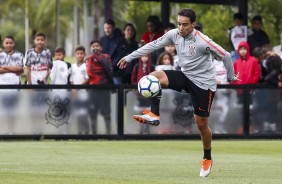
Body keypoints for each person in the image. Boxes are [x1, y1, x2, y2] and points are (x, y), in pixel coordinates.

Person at [118, 8, 239, 177]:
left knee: (201, 124)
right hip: (185, 76)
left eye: (185, 25)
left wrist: (231, 76)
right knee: (154, 76)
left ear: (193, 24)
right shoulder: (174, 34)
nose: (181, 28)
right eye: (179, 24)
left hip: (204, 84)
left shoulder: (203, 41)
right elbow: (152, 45)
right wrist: (129, 57)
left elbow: (226, 55)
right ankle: (154, 113)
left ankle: (207, 158)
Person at [86, 40, 113, 134]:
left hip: (105, 88)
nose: (95, 48)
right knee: (92, 111)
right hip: (93, 89)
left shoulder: (106, 57)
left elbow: (109, 69)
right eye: (93, 46)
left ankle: (108, 133)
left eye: (97, 46)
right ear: (90, 49)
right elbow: (90, 72)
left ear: (101, 48)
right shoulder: (89, 58)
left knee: (106, 112)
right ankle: (94, 133)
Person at [0, 35, 24, 133]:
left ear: (14, 44)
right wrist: (12, 68)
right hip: (2, 88)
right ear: (3, 44)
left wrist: (4, 67)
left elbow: (20, 69)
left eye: (10, 43)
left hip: (15, 87)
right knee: (3, 111)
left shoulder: (19, 55)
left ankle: (11, 131)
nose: (8, 45)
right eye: (6, 43)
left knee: (13, 110)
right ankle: (4, 131)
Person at [131, 54, 155, 134]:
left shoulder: (151, 66)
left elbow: (154, 78)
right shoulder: (137, 66)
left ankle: (147, 130)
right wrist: (136, 88)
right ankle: (141, 129)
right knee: (141, 111)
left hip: (149, 93)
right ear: (140, 57)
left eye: (146, 56)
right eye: (143, 56)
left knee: (148, 111)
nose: (144, 58)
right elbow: (133, 78)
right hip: (140, 93)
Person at [70, 46, 89, 134]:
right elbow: (71, 80)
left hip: (83, 93)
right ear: (75, 55)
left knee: (84, 113)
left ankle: (86, 132)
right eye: (78, 54)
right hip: (75, 93)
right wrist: (74, 89)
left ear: (84, 55)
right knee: (77, 113)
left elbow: (87, 79)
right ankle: (79, 132)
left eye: (81, 54)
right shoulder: (72, 66)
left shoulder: (86, 66)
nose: (80, 55)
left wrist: (79, 87)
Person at [99, 19, 123, 85]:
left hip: (116, 72)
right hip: (104, 72)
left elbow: (120, 55)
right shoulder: (102, 40)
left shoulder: (119, 40)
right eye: (105, 28)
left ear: (113, 28)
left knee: (118, 92)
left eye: (109, 28)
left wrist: (111, 66)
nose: (107, 30)